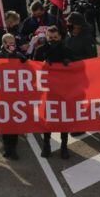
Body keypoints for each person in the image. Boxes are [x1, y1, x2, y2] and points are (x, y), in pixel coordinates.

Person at [34, 26, 74, 158]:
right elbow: (33, 67)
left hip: (64, 91)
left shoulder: (67, 51)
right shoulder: (40, 50)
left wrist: (68, 63)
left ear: (60, 37)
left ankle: (64, 146)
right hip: (47, 91)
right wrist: (43, 64)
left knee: (64, 118)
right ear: (46, 37)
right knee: (47, 119)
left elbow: (77, 69)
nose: (53, 40)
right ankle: (46, 145)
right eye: (50, 38)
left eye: (55, 38)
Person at [0, 32, 26, 159]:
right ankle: (7, 148)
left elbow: (29, 72)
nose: (12, 45)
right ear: (4, 44)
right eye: (9, 43)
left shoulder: (19, 56)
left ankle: (14, 148)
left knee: (14, 123)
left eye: (13, 43)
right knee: (5, 123)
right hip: (2, 95)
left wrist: (25, 62)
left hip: (15, 95)